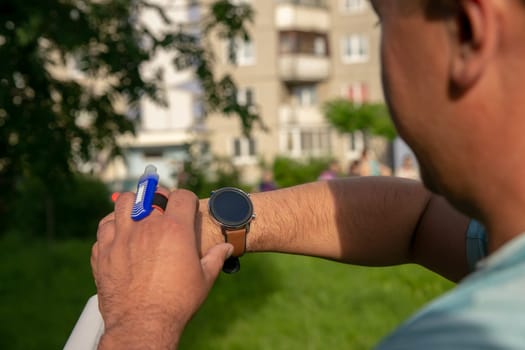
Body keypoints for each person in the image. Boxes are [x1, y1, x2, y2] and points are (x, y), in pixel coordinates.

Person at [90, 1, 525, 348]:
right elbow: (416, 218)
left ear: (468, 32)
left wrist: (139, 325)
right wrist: (208, 226)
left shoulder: (460, 337)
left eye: (381, 22)